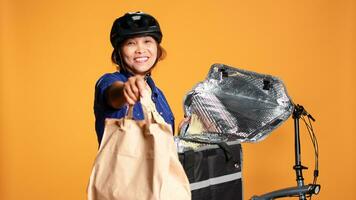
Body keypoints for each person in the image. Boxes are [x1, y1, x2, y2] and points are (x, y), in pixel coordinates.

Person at [94, 11, 175, 145]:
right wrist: (125, 90)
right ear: (119, 52)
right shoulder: (109, 81)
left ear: (157, 48)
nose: (140, 49)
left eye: (147, 41)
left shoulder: (158, 95)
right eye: (131, 43)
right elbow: (113, 94)